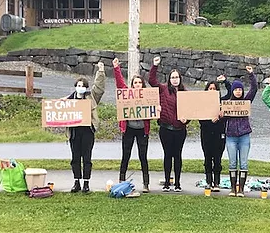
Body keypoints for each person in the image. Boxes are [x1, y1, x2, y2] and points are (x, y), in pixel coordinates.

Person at [149, 56, 188, 192]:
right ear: (169, 79)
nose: (175, 79)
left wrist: (186, 120)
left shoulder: (185, 93)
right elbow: (152, 81)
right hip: (166, 128)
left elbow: (190, 110)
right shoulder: (163, 89)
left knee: (177, 155)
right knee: (167, 155)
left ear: (180, 79)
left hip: (180, 129)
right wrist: (155, 66)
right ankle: (166, 182)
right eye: (173, 77)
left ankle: (177, 183)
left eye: (177, 77)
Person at [113, 57, 151, 193]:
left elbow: (153, 108)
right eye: (135, 83)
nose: (137, 85)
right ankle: (121, 180)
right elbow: (119, 83)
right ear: (132, 85)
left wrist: (157, 109)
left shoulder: (148, 96)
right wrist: (116, 68)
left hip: (142, 130)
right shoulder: (127, 94)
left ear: (142, 85)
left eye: (140, 83)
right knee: (126, 155)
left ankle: (146, 183)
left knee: (143, 157)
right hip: (129, 129)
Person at [67, 61, 106, 193]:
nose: (80, 87)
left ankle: (86, 183)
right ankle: (76, 181)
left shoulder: (91, 98)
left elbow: (99, 88)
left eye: (83, 86)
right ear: (75, 87)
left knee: (87, 158)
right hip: (74, 132)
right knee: (75, 158)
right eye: (78, 85)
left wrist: (100, 71)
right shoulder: (69, 99)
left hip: (87, 132)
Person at [225, 66, 257, 197]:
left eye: (240, 89)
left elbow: (254, 89)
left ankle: (241, 189)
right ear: (233, 91)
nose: (238, 92)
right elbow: (223, 118)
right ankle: (233, 188)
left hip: (244, 135)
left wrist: (251, 74)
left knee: (243, 163)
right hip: (231, 136)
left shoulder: (246, 101)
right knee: (232, 162)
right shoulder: (227, 103)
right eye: (236, 89)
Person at [199, 75, 231, 191]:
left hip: (219, 134)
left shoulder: (222, 102)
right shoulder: (202, 104)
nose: (212, 91)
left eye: (214, 89)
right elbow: (200, 120)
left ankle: (216, 182)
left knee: (217, 159)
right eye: (210, 88)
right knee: (207, 158)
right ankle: (208, 181)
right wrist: (209, 120)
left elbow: (231, 93)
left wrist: (225, 81)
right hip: (206, 134)